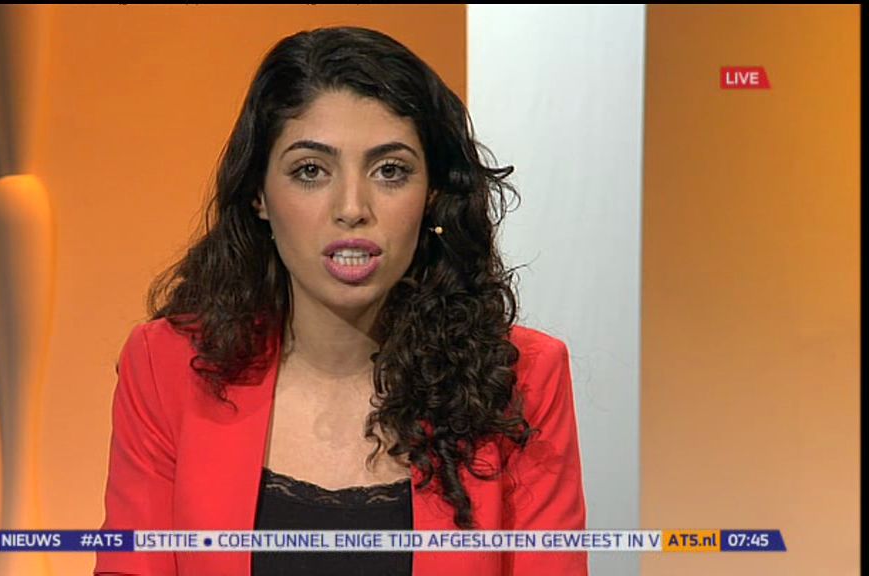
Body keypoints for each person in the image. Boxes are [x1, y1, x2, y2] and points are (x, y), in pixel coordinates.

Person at [95, 26, 586, 576]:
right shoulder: (165, 367)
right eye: (311, 170)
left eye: (390, 171)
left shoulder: (521, 379)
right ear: (258, 194)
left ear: (432, 196)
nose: (352, 208)